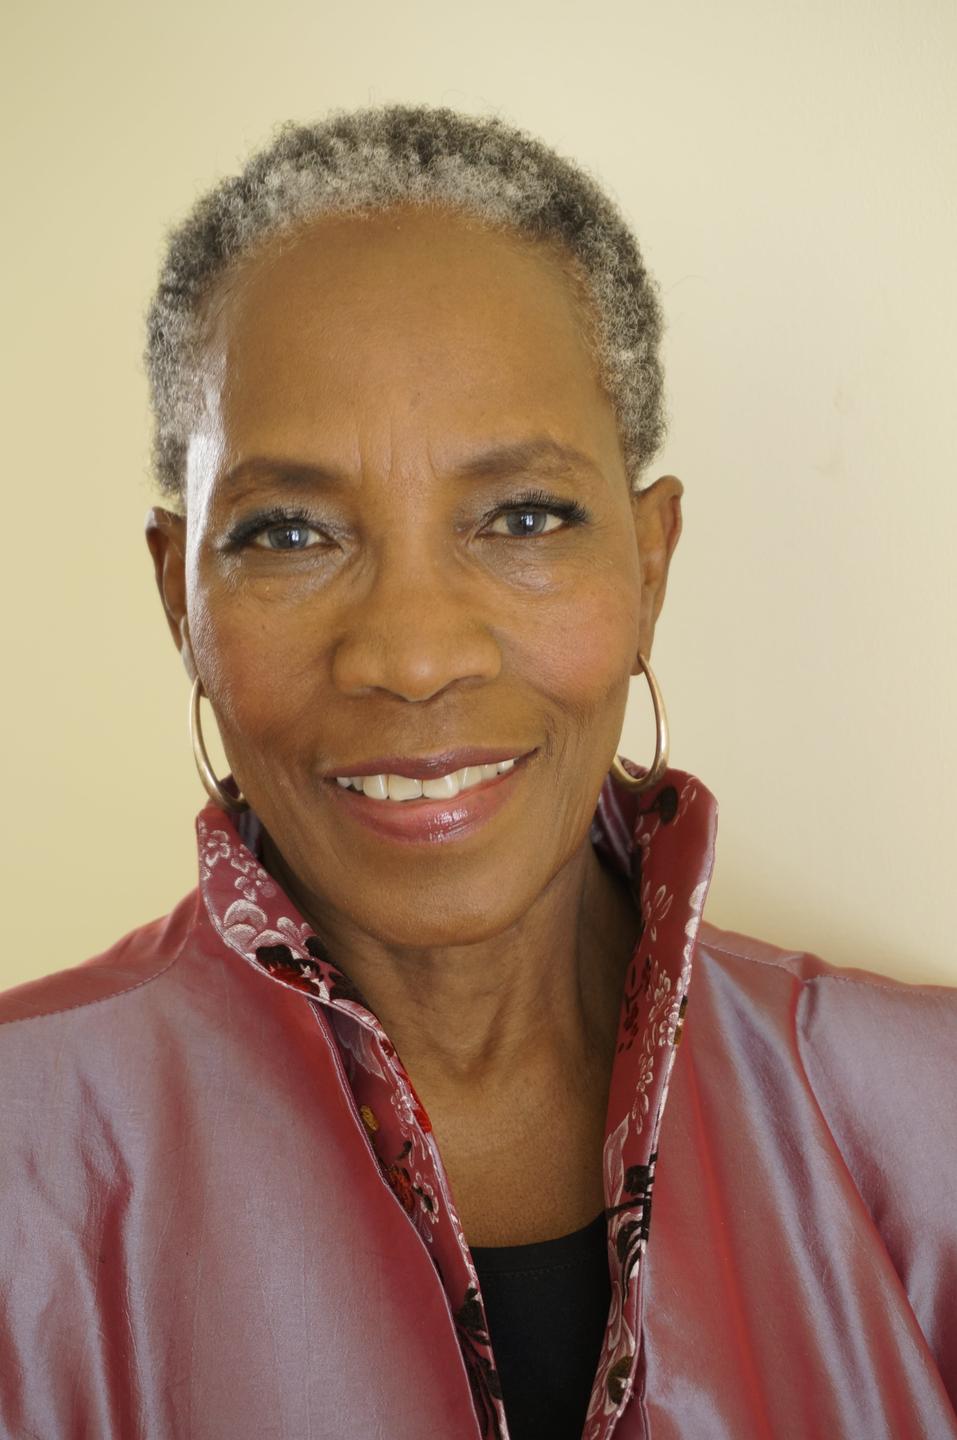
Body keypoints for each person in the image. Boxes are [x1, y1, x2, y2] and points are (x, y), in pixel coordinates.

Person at [0, 104, 953, 1440]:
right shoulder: (22, 1159)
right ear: (180, 599)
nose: (412, 654)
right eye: (289, 532)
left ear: (650, 563)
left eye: (524, 516)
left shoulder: (930, 1123)